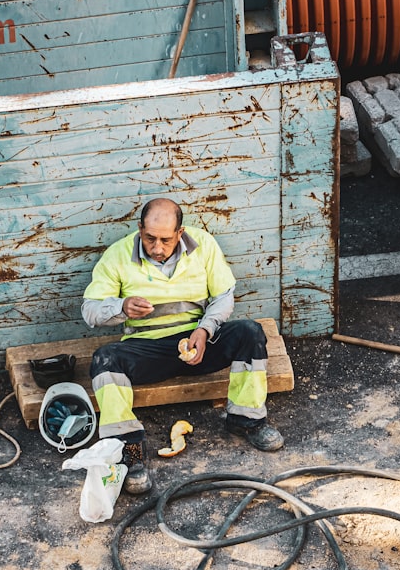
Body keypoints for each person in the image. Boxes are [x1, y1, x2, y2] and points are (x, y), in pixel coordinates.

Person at [81, 197, 283, 495]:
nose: (158, 247)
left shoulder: (203, 245)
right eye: (150, 238)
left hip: (198, 343)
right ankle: (130, 452)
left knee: (250, 332)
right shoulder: (117, 255)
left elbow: (224, 296)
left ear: (180, 232)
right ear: (140, 229)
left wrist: (205, 330)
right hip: (148, 350)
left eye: (165, 239)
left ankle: (247, 420)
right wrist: (121, 307)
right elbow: (90, 312)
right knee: (104, 359)